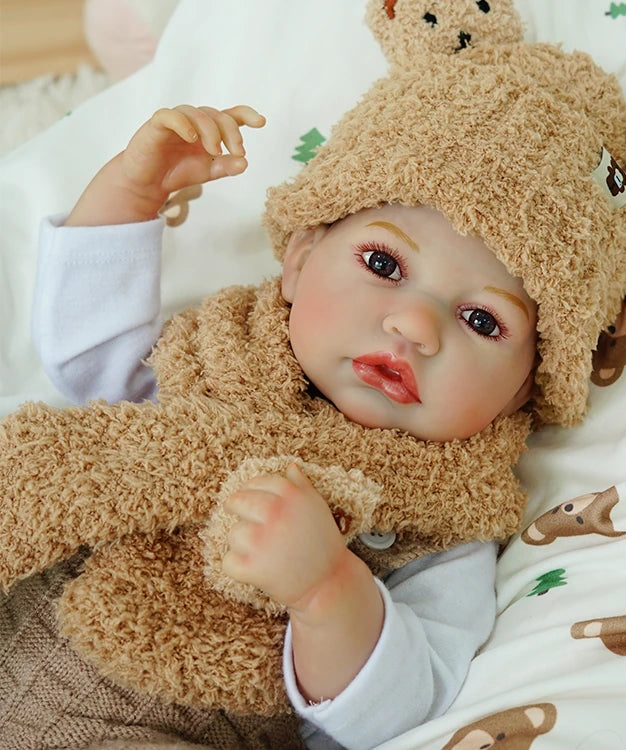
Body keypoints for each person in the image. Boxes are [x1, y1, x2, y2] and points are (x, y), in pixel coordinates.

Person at [30, 104, 537, 749]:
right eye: (384, 265)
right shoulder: (216, 365)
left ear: (522, 392)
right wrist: (131, 192)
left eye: (483, 321)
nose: (414, 325)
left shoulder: (446, 523)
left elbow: (406, 704)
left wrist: (328, 588)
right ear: (298, 262)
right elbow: (89, 359)